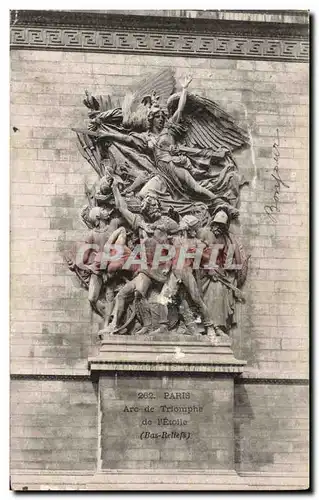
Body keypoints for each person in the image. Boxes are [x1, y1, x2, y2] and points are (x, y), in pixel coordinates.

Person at [100, 179, 180, 336]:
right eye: (149, 207)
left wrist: (170, 265)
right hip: (145, 270)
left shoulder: (167, 223)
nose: (152, 209)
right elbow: (122, 208)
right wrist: (115, 186)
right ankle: (115, 326)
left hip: (160, 269)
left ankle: (153, 325)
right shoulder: (141, 223)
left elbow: (181, 238)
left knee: (144, 294)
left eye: (153, 206)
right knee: (124, 294)